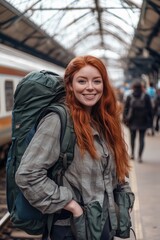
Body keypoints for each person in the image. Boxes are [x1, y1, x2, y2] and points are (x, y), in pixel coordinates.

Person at [15, 55, 132, 240]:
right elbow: (27, 175)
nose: (90, 87)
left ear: (104, 85)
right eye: (82, 81)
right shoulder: (58, 121)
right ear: (70, 85)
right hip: (71, 230)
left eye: (97, 81)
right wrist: (71, 205)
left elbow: (114, 170)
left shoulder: (105, 121)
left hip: (101, 227)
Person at [123, 81, 153, 163]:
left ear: (133, 87)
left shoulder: (129, 96)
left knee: (132, 138)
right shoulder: (146, 96)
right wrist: (151, 122)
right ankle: (140, 156)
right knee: (142, 139)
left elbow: (125, 109)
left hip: (132, 121)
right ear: (141, 87)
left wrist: (124, 119)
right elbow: (150, 109)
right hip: (143, 121)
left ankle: (132, 154)